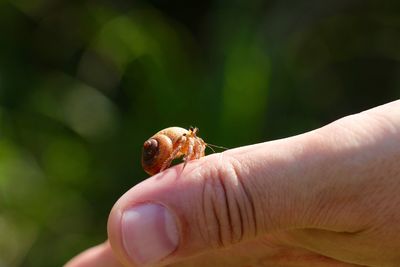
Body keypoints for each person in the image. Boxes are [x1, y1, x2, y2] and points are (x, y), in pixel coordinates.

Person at [65, 100, 400, 267]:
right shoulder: (176, 142)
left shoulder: (183, 141)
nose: (196, 142)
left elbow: (190, 146)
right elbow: (187, 147)